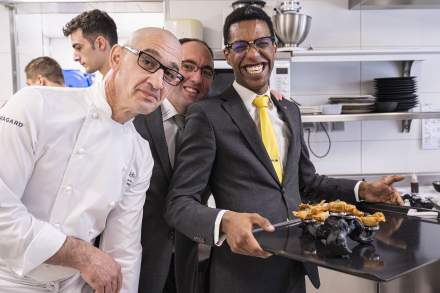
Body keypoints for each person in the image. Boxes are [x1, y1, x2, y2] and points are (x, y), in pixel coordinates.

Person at [165, 6, 404, 293]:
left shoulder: (290, 111)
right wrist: (225, 221)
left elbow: (308, 184)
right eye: (240, 46)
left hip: (294, 269)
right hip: (240, 275)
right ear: (227, 55)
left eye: (262, 43)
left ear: (274, 49)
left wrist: (363, 190)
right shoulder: (207, 115)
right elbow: (179, 203)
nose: (253, 54)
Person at [0, 27, 182, 293]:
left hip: (73, 285)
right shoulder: (33, 105)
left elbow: (124, 250)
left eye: (169, 74)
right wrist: (81, 255)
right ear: (117, 57)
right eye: (148, 61)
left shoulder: (139, 154)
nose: (157, 82)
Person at [134, 38, 214, 293]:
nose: (197, 79)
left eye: (207, 72)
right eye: (188, 66)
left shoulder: (214, 125)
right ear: (171, 69)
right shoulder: (135, 117)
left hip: (188, 263)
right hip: (137, 261)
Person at [63, 9, 117, 76]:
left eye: (79, 48)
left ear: (100, 44)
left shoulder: (128, 83)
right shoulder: (104, 82)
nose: (75, 58)